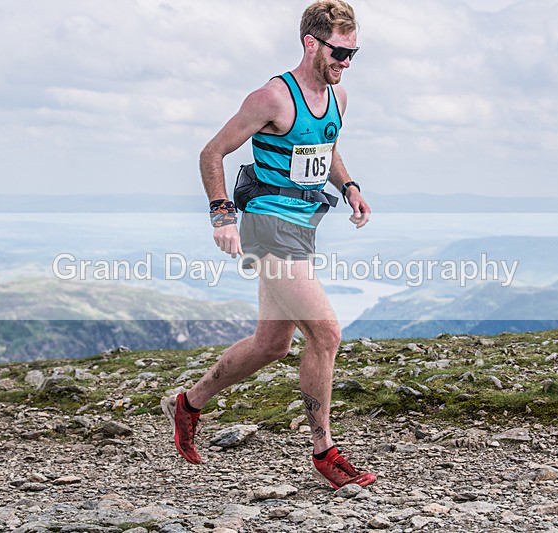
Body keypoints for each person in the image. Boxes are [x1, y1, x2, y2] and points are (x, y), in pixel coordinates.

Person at [162, 0, 375, 490]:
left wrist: (349, 188)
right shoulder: (272, 97)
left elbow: (327, 146)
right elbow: (211, 152)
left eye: (353, 53)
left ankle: (188, 403)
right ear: (311, 43)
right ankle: (325, 451)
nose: (345, 62)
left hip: (303, 226)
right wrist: (222, 214)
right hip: (267, 227)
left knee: (272, 345)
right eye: (339, 52)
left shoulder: (338, 100)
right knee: (326, 334)